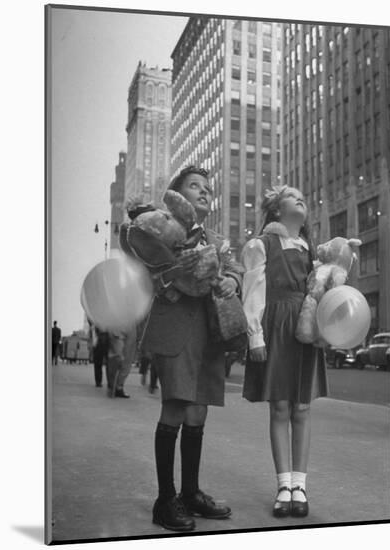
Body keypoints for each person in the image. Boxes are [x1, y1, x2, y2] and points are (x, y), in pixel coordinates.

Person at [141, 166, 243, 532]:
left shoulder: (215, 238)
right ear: (177, 194)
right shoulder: (163, 231)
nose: (204, 192)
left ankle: (190, 492)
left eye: (208, 188)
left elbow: (235, 269)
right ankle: (165, 499)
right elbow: (147, 273)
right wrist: (173, 273)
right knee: (176, 407)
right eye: (194, 186)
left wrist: (230, 280)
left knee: (198, 411)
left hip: (209, 332)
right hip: (175, 328)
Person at [241, 185, 328, 519]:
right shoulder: (260, 245)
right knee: (279, 407)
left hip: (304, 327)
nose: (301, 198)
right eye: (292, 196)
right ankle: (283, 485)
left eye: (302, 196)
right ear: (276, 210)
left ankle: (300, 486)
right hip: (276, 324)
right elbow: (253, 292)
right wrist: (255, 337)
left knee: (302, 407)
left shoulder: (312, 250)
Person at [107, 328, 137, 398]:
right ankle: (116, 386)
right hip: (120, 328)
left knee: (123, 360)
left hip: (121, 328)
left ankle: (116, 386)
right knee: (120, 359)